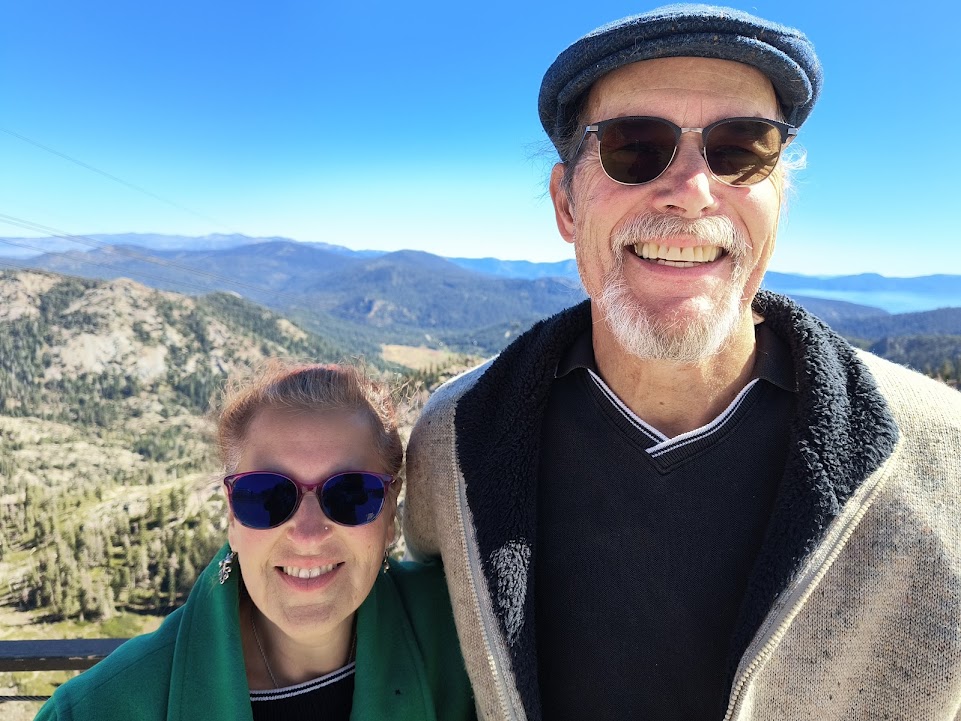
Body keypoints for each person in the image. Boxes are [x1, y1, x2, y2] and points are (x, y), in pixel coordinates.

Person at [403, 5, 961, 720]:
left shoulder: (943, 462)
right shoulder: (454, 440)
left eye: (741, 149)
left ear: (778, 199)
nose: (692, 190)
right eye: (635, 147)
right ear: (565, 204)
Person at [36, 360, 475, 720]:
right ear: (232, 515)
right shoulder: (94, 710)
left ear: (391, 511)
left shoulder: (471, 633)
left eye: (351, 494)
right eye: (267, 495)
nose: (307, 534)